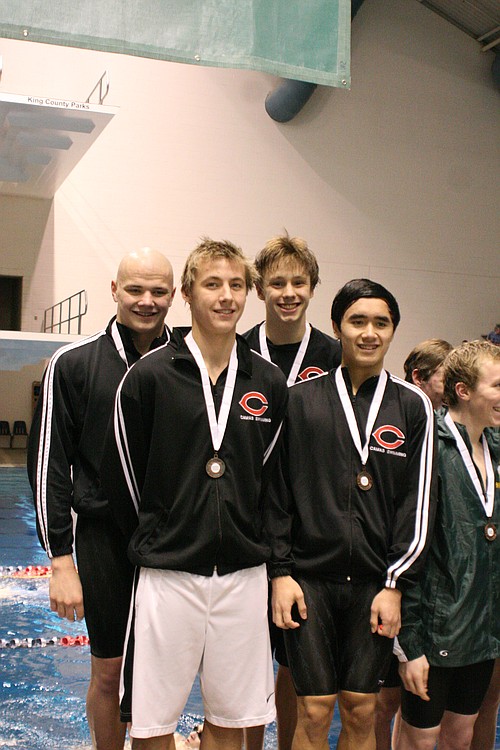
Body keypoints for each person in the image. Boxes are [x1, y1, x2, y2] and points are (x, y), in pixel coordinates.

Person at [101, 238, 289, 749]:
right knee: (152, 725)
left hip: (243, 576)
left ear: (247, 293)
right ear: (188, 293)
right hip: (168, 575)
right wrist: (166, 531)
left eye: (235, 285)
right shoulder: (149, 377)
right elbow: (123, 479)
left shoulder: (268, 382)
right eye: (212, 284)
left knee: (232, 723)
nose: (225, 296)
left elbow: (269, 482)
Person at [268, 278, 437, 750]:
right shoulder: (299, 400)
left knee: (362, 709)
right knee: (314, 709)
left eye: (381, 323)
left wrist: (394, 584)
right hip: (309, 581)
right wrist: (281, 572)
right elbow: (276, 494)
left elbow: (418, 504)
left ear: (393, 330)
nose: (369, 332)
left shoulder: (412, 405)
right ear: (337, 327)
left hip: (374, 584)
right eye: (357, 321)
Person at [27, 247, 176, 750]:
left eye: (158, 291)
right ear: (114, 291)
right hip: (104, 542)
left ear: (174, 296)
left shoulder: (190, 361)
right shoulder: (74, 364)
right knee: (109, 673)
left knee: (165, 678)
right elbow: (48, 464)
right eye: (135, 289)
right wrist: (61, 561)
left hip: (175, 542)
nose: (147, 301)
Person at [242, 233, 341, 750]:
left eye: (298, 282)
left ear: (312, 287)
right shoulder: (238, 350)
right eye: (277, 282)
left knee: (291, 657)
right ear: (259, 288)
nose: (288, 292)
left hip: (304, 523)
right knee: (248, 655)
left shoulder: (334, 353)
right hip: (242, 516)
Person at [395, 340, 500, 750]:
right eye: (496, 386)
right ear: (464, 391)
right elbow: (408, 548)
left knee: (461, 737)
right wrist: (411, 646)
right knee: (420, 740)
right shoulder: (429, 449)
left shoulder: (494, 448)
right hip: (433, 631)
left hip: (481, 631)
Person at [375, 337, 452, 749]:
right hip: (392, 575)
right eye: (446, 374)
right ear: (420, 377)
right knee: (383, 700)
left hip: (430, 585)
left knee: (413, 697)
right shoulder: (397, 423)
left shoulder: (457, 435)